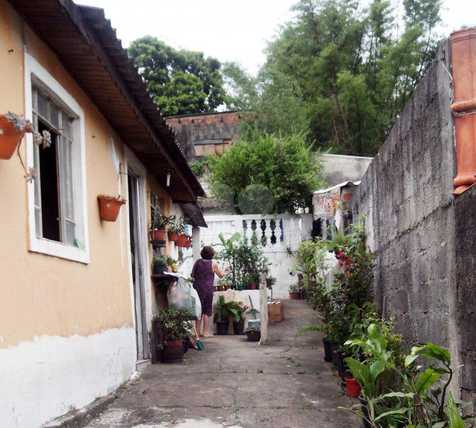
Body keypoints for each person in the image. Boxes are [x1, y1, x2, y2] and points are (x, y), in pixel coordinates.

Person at [191, 246, 225, 337]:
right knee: (206, 310)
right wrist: (226, 271)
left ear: (202, 253)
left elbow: (192, 275)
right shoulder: (213, 264)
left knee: (198, 309)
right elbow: (221, 275)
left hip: (197, 288)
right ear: (212, 254)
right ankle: (205, 332)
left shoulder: (197, 262)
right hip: (208, 289)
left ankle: (197, 333)